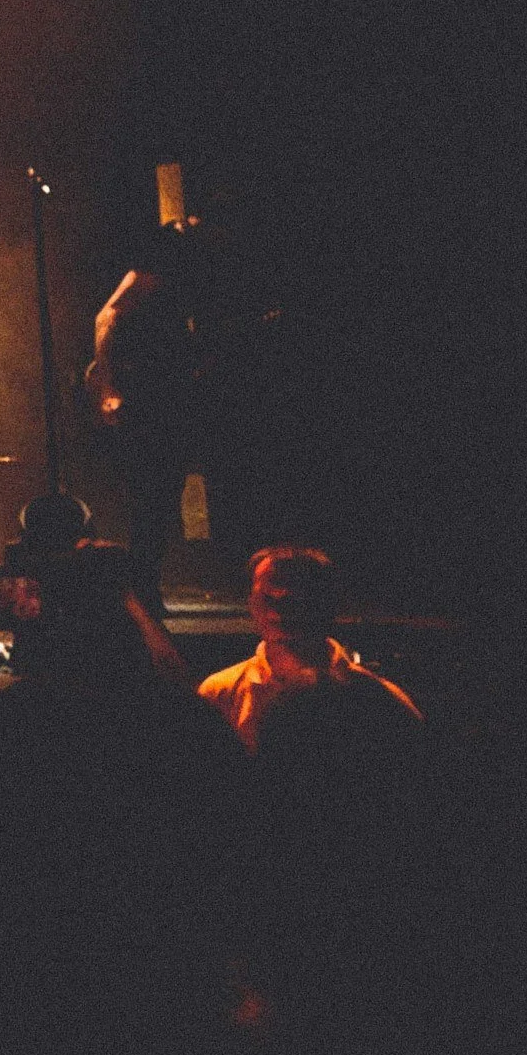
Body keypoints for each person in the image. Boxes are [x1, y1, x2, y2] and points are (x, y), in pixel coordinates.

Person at [83, 222, 205, 614]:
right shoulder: (146, 276)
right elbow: (107, 319)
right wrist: (107, 386)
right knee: (152, 492)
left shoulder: (176, 286)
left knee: (162, 492)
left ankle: (144, 585)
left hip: (160, 394)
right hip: (142, 397)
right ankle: (138, 590)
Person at [198, 546, 419, 749]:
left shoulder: (379, 698)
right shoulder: (220, 693)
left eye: (294, 600)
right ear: (250, 602)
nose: (278, 612)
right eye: (268, 598)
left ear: (324, 604)